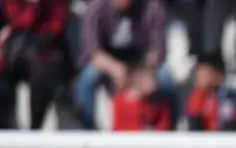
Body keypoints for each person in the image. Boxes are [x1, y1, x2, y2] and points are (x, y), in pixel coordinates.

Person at [75, 0, 170, 129]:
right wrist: (115, 69)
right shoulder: (96, 7)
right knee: (87, 78)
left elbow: (158, 50)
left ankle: (170, 137)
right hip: (107, 61)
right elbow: (92, 50)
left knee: (165, 78)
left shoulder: (152, 7)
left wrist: (140, 74)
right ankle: (85, 135)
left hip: (141, 64)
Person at [0, 0, 73, 130]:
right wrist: (32, 6)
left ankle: (35, 129)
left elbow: (56, 25)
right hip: (15, 50)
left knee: (42, 71)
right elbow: (17, 20)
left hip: (45, 51)